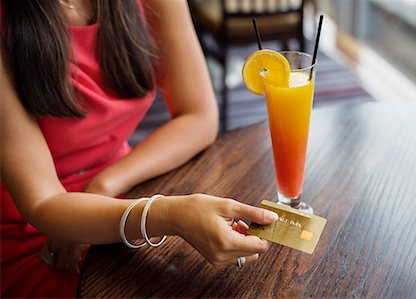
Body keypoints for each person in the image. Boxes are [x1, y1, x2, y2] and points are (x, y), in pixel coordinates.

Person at [0, 0, 279, 297]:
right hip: (36, 231)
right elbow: (42, 203)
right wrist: (167, 215)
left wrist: (105, 184)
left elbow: (199, 116)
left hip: (127, 187)